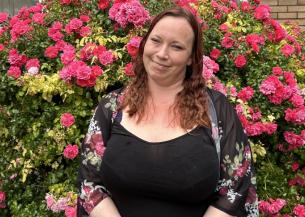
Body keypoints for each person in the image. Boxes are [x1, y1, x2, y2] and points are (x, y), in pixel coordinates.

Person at [77, 7, 258, 217]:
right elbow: (90, 182)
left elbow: (235, 188)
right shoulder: (111, 107)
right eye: (156, 41)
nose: (162, 54)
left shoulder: (217, 110)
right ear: (145, 44)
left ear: (191, 57)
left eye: (177, 47)